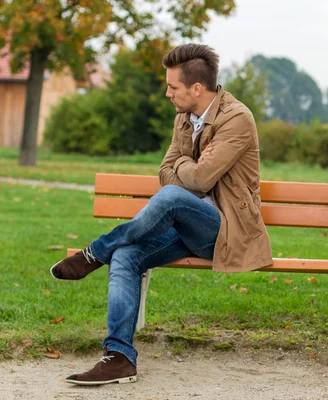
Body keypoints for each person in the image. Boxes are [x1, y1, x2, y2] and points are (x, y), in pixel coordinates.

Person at [50, 44, 273, 385]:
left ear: (197, 89)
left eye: (173, 87)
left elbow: (196, 180)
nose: (167, 93)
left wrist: (188, 168)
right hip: (186, 226)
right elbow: (166, 171)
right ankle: (120, 357)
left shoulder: (236, 119)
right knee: (126, 256)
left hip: (225, 231)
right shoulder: (184, 119)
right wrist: (191, 163)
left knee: (170, 197)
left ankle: (96, 251)